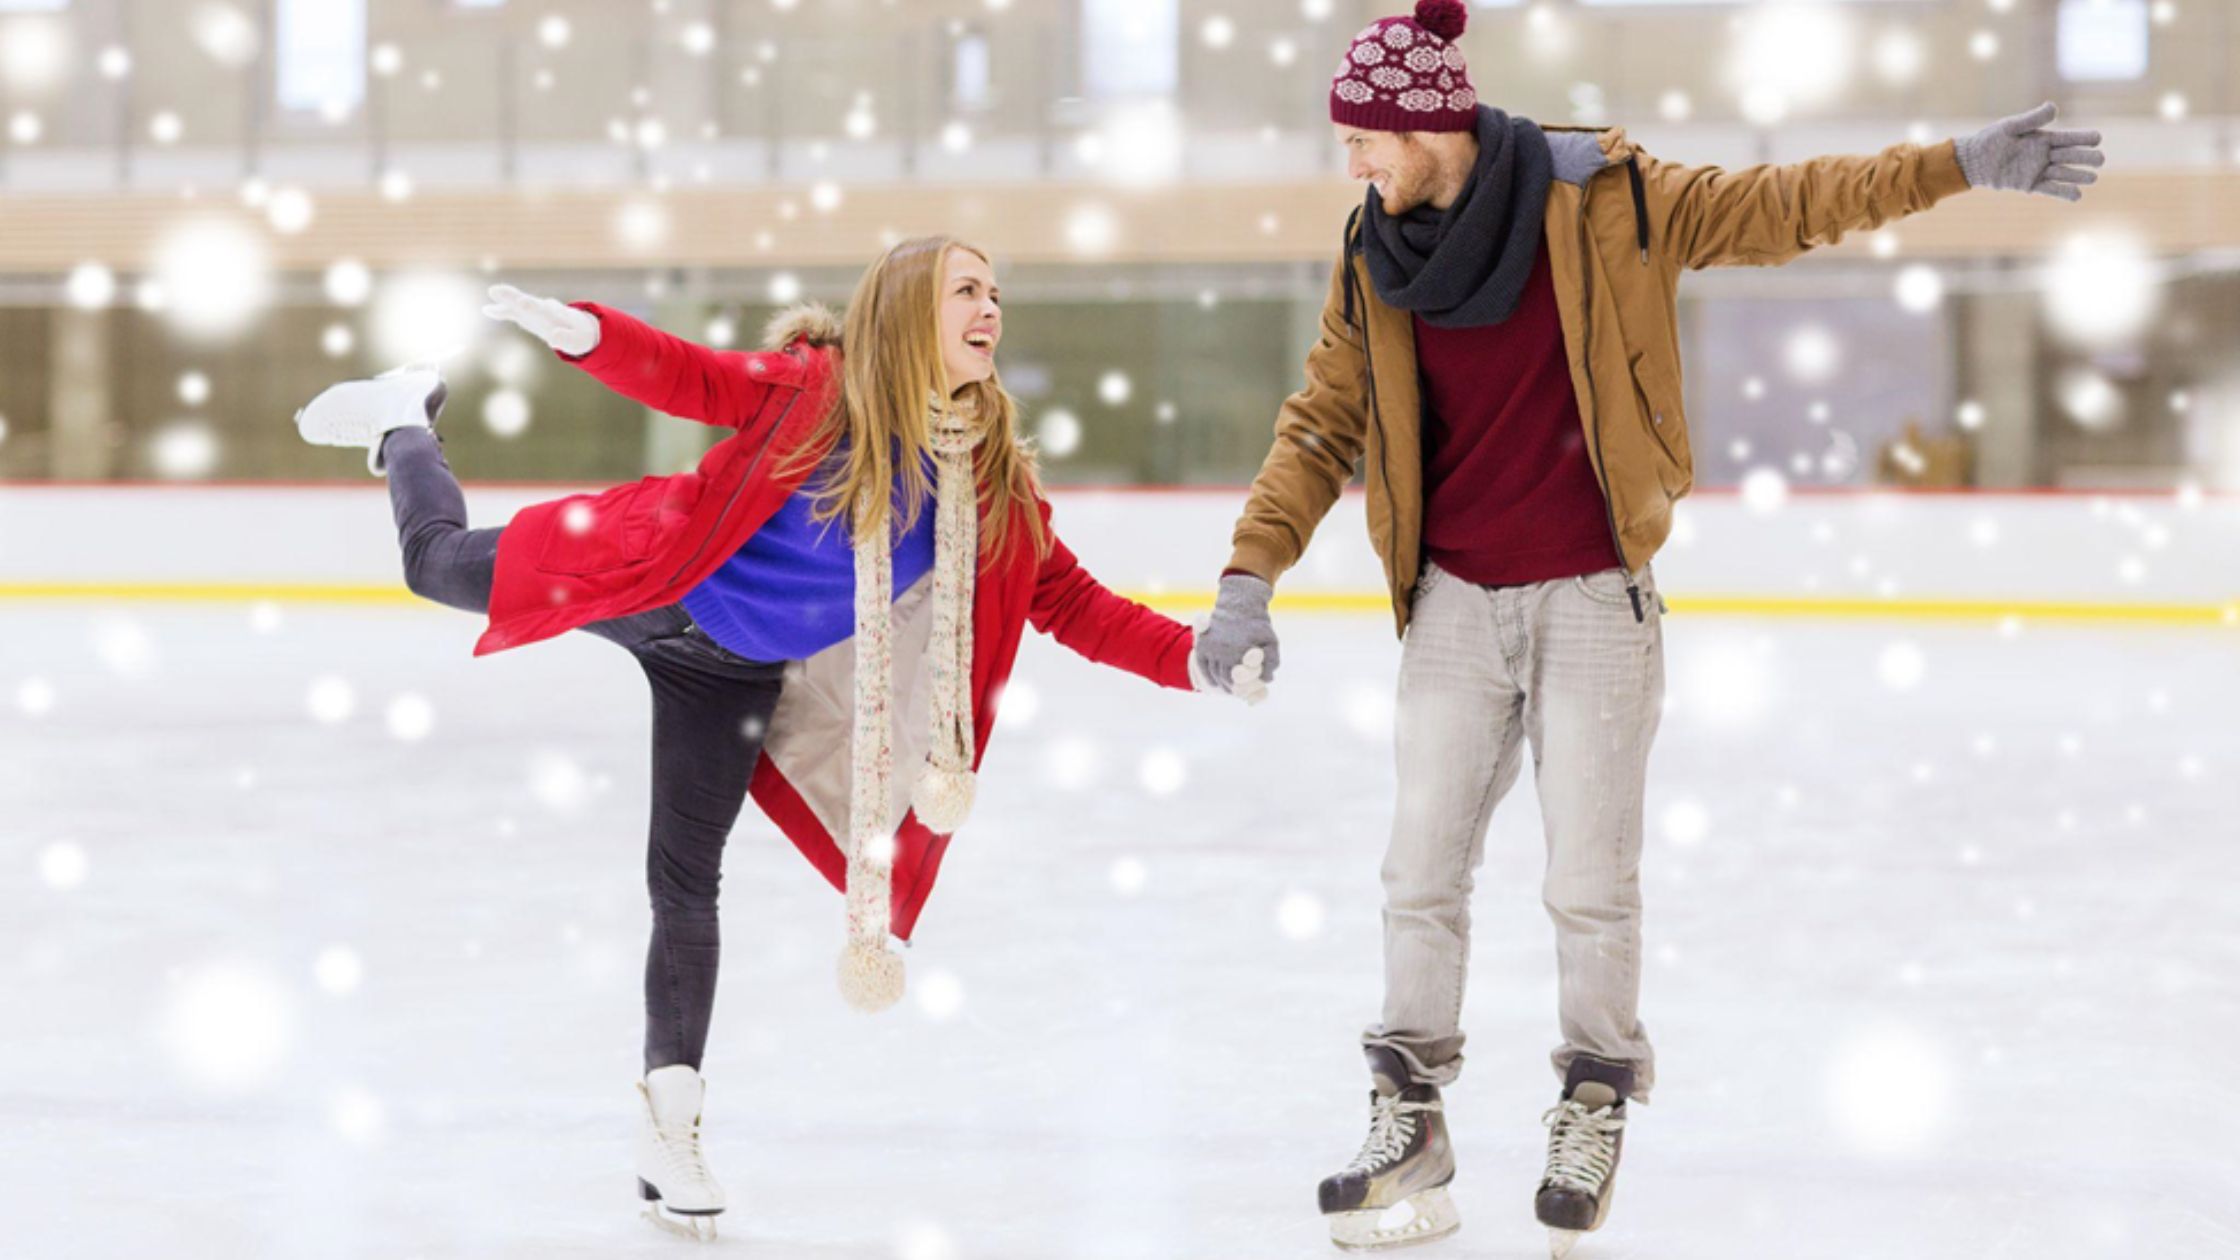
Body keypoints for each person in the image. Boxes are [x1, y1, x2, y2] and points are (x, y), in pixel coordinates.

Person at [1184, 1, 2104, 1253]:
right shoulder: (1370, 254)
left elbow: (1783, 203)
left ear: (1429, 122)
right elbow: (1319, 423)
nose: (1351, 163)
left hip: (1592, 598)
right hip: (1452, 601)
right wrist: (1249, 575)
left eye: (1364, 138)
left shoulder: (1599, 194)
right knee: (1417, 872)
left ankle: (1592, 1096)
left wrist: (1952, 165)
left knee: (1585, 882)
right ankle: (1409, 1110)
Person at [294, 235, 1266, 1242]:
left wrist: (1189, 658)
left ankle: (667, 1125)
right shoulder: (815, 390)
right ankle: (404, 419)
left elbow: (1073, 602)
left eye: (996, 294)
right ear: (903, 311)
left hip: (725, 674)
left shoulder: (985, 486)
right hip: (650, 572)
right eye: (966, 290)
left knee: (683, 879)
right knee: (435, 566)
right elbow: (693, 379)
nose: (991, 310)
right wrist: (588, 335)